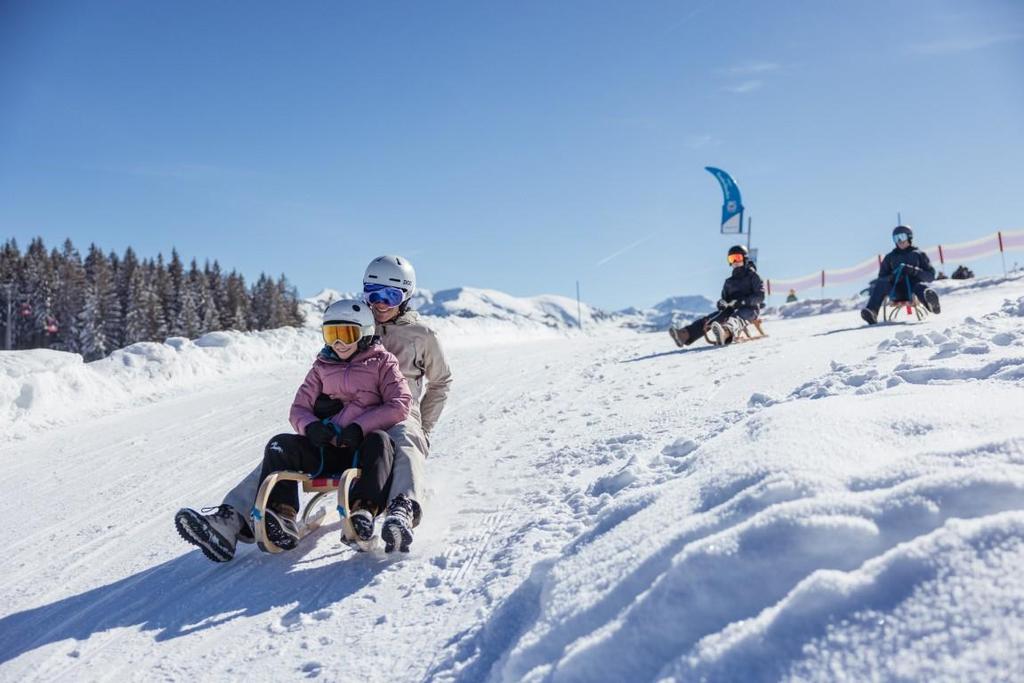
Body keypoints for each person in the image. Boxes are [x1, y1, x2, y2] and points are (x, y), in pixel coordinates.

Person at [174, 255, 452, 560]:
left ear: (406, 296)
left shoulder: (422, 336)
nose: (381, 304)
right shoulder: (354, 322)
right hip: (346, 414)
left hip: (396, 412)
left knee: (406, 439)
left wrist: (424, 427)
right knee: (284, 453)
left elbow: (441, 382)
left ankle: (403, 509)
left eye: (391, 296)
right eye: (373, 294)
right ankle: (231, 519)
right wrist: (321, 408)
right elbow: (328, 368)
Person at [669, 245, 765, 347]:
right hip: (732, 308)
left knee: (736, 317)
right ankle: (685, 335)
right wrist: (721, 303)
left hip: (750, 309)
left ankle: (725, 333)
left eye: (738, 258)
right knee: (711, 318)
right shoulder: (729, 282)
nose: (735, 261)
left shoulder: (753, 276)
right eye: (732, 259)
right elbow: (724, 298)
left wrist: (743, 301)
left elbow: (760, 296)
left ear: (745, 258)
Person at [860, 225, 941, 325]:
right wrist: (891, 277)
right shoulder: (890, 257)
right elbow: (881, 277)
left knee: (920, 286)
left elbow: (930, 276)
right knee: (881, 284)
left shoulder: (919, 255)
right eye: (896, 238)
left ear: (909, 237)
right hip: (895, 290)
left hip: (912, 290)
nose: (899, 241)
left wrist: (913, 271)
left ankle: (930, 303)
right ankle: (872, 311)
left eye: (902, 237)